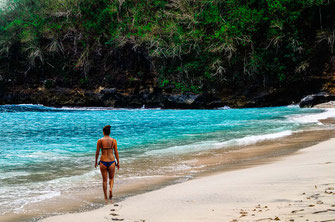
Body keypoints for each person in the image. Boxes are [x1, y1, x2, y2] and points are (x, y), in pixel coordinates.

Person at [95, 125, 119, 202]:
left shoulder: (100, 141)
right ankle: (111, 189)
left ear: (103, 132)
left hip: (103, 161)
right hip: (111, 161)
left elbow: (97, 152)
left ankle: (105, 197)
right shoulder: (113, 140)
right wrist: (118, 162)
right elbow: (116, 152)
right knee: (111, 178)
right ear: (109, 132)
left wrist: (95, 162)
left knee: (104, 180)